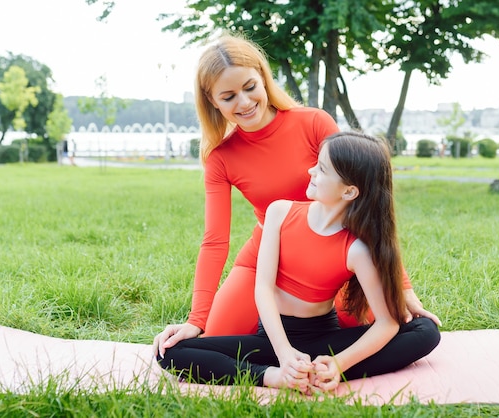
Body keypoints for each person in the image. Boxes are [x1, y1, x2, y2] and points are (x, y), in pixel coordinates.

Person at [154, 34, 440, 352]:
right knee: (211, 341)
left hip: (332, 256)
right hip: (264, 258)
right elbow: (215, 241)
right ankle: (283, 358)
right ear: (213, 102)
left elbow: (369, 204)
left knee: (395, 326)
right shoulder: (221, 158)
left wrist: (403, 288)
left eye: (250, 87)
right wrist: (197, 318)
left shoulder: (314, 123)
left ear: (263, 78)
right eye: (229, 96)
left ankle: (308, 353)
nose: (245, 103)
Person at [156, 132, 441, 392]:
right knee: (169, 352)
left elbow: (387, 323)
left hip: (322, 338)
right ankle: (274, 376)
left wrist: (338, 363)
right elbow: (263, 289)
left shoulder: (357, 250)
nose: (310, 171)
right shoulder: (280, 212)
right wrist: (283, 355)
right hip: (272, 339)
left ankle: (321, 373)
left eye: (322, 169)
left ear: (349, 191)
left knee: (426, 332)